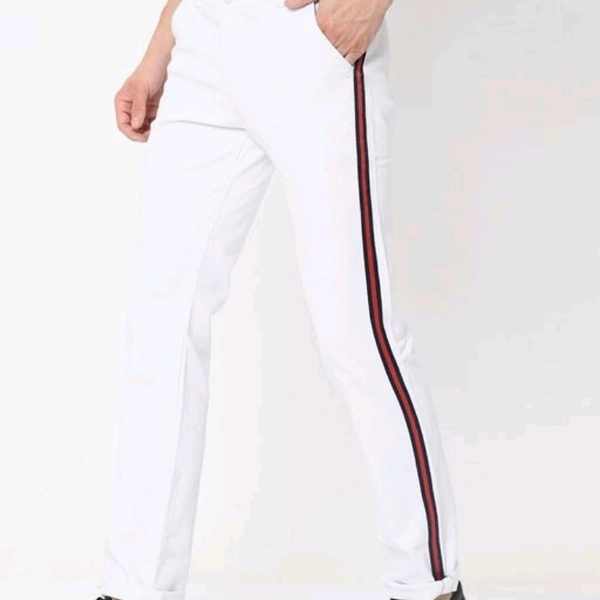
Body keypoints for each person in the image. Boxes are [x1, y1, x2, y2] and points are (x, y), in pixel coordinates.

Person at [95, 0, 467, 598]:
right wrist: (161, 47)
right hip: (202, 42)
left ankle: (427, 587)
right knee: (160, 322)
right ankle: (136, 587)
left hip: (306, 37)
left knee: (355, 329)